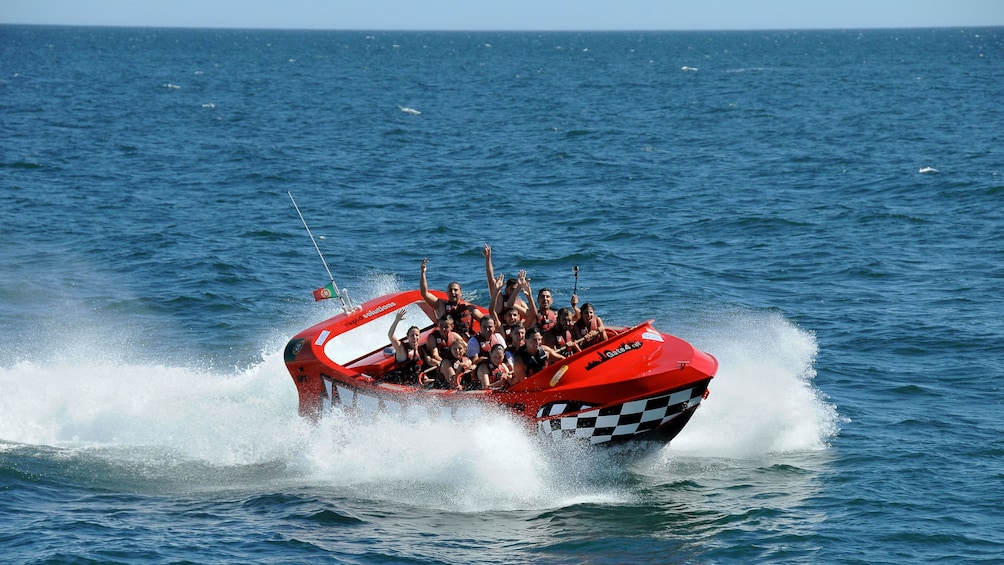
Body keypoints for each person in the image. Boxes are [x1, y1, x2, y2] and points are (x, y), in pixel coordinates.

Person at [420, 258, 483, 340]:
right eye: (450, 290)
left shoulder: (469, 308)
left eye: (455, 290)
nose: (453, 292)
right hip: (451, 344)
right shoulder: (441, 305)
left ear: (461, 292)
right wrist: (423, 273)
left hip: (468, 343)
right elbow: (424, 293)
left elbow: (486, 321)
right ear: (447, 293)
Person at [386, 309, 432, 386]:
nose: (414, 337)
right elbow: (390, 335)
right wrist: (396, 320)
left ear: (419, 337)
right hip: (402, 383)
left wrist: (440, 364)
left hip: (417, 381)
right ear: (408, 337)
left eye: (417, 335)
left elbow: (430, 360)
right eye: (412, 335)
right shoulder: (401, 348)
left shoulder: (420, 350)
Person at [483, 243, 528, 318]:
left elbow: (531, 315)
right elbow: (491, 280)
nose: (514, 292)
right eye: (512, 289)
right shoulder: (500, 299)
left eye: (516, 289)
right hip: (500, 327)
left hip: (515, 328)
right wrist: (488, 259)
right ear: (506, 290)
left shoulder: (520, 303)